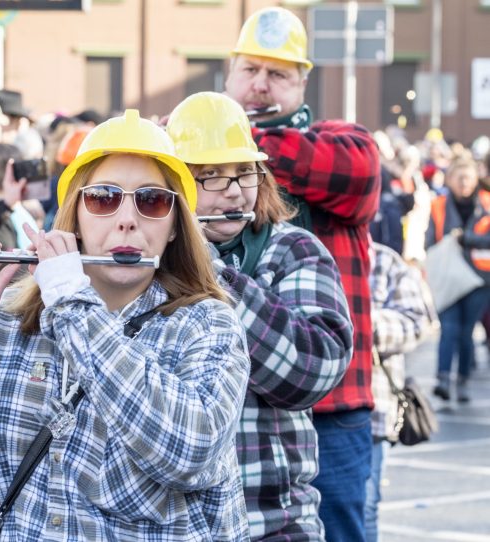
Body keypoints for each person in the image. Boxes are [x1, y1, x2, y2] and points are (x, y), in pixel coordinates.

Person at [0, 109, 251, 540]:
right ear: (76, 217)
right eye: (103, 198)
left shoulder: (207, 324)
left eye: (152, 200)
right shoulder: (11, 318)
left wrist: (71, 303)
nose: (127, 218)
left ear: (176, 225)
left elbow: (189, 450)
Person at [224, 8, 381, 540]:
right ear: (229, 72)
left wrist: (217, 142)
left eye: (278, 75)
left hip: (334, 403)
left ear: (303, 83)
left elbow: (354, 172)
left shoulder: (345, 142)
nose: (260, 86)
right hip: (233, 400)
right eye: (250, 71)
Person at [167, 91, 353, 540]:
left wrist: (209, 270)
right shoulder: (143, 260)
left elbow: (315, 369)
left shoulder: (293, 249)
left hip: (271, 521)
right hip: (171, 523)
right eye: (210, 175)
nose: (233, 190)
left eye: (243, 172)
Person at [365, 241, 438, 542]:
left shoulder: (385, 260)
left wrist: (362, 322)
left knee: (366, 506)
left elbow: (420, 322)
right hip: (311, 408)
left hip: (375, 406)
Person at [426, 157, 490, 403]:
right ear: (450, 179)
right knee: (449, 328)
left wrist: (467, 239)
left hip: (479, 279)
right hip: (450, 278)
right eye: (459, 177)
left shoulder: (486, 202)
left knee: (466, 332)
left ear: (475, 179)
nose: (463, 183)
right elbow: (430, 242)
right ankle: (443, 377)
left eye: (468, 178)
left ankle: (462, 378)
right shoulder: (438, 205)